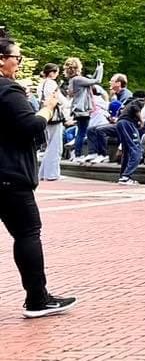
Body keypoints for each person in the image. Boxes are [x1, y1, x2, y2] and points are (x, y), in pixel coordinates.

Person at [0, 35, 77, 317]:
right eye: (16, 58)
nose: (18, 63)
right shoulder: (7, 90)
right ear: (1, 60)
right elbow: (29, 126)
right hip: (9, 175)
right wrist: (48, 107)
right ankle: (37, 299)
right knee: (27, 233)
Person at [63, 56, 103, 161]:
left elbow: (91, 80)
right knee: (82, 132)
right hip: (83, 110)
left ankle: (77, 154)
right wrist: (101, 68)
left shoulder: (73, 80)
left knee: (81, 131)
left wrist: (97, 69)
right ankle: (78, 154)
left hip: (77, 109)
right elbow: (97, 80)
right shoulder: (78, 79)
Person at [36, 64, 65, 182]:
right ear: (52, 73)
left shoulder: (40, 84)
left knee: (49, 145)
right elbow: (60, 100)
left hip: (45, 114)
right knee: (56, 145)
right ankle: (52, 173)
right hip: (54, 116)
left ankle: (43, 173)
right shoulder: (52, 84)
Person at [114, 89, 145, 186]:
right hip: (128, 123)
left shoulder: (126, 102)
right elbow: (136, 108)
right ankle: (126, 176)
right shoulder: (139, 100)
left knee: (126, 150)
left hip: (120, 123)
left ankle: (123, 176)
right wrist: (141, 121)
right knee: (137, 150)